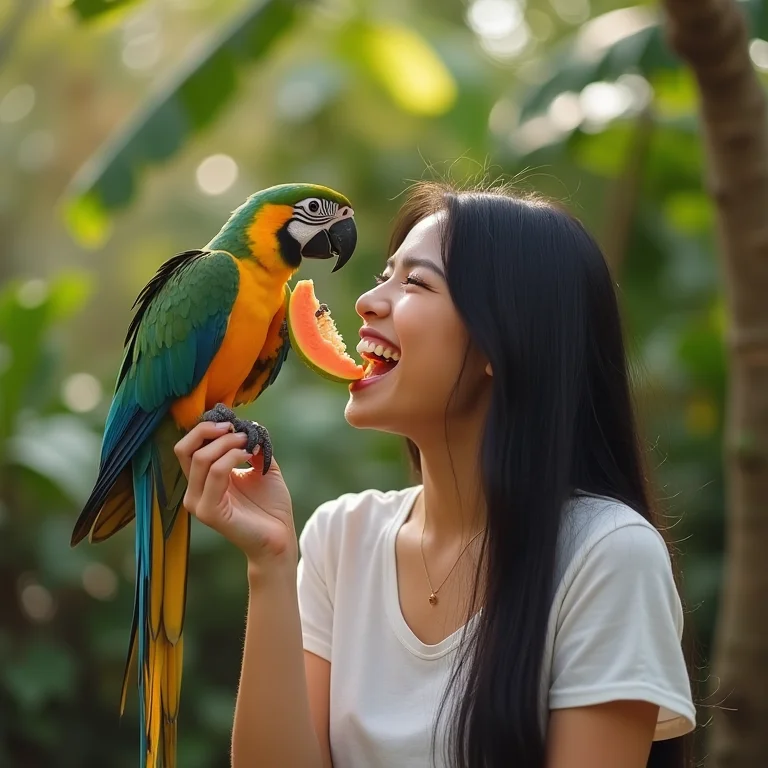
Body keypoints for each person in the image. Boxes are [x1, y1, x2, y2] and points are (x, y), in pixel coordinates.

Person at [174, 181, 697, 768]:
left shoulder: (608, 555)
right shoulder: (340, 537)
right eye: (384, 276)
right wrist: (268, 562)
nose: (367, 303)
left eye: (416, 282)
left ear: (504, 340)